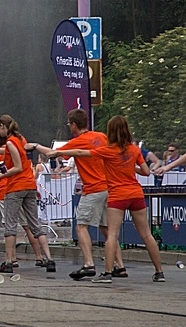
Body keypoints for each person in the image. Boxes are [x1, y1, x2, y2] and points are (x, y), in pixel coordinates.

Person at [51, 115, 165, 283]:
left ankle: (107, 273)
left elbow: (81, 152)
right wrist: (129, 167)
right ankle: (159, 272)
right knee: (147, 234)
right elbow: (146, 172)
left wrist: (59, 152)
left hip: (118, 195)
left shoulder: (108, 150)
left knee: (111, 234)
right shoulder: (134, 150)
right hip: (136, 194)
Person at [27, 108, 118, 280]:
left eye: (69, 124)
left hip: (92, 189)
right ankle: (119, 266)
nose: (69, 127)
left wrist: (35, 146)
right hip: (108, 187)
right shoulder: (101, 137)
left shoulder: (79, 141)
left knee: (81, 226)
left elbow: (52, 153)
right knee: (108, 230)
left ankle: (89, 264)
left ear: (74, 124)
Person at [0, 115, 56, 273]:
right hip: (30, 185)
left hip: (16, 186)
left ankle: (8, 261)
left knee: (10, 225)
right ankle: (49, 259)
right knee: (35, 224)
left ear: (2, 126)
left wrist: (0, 175)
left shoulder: (10, 142)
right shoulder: (20, 139)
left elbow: (17, 167)